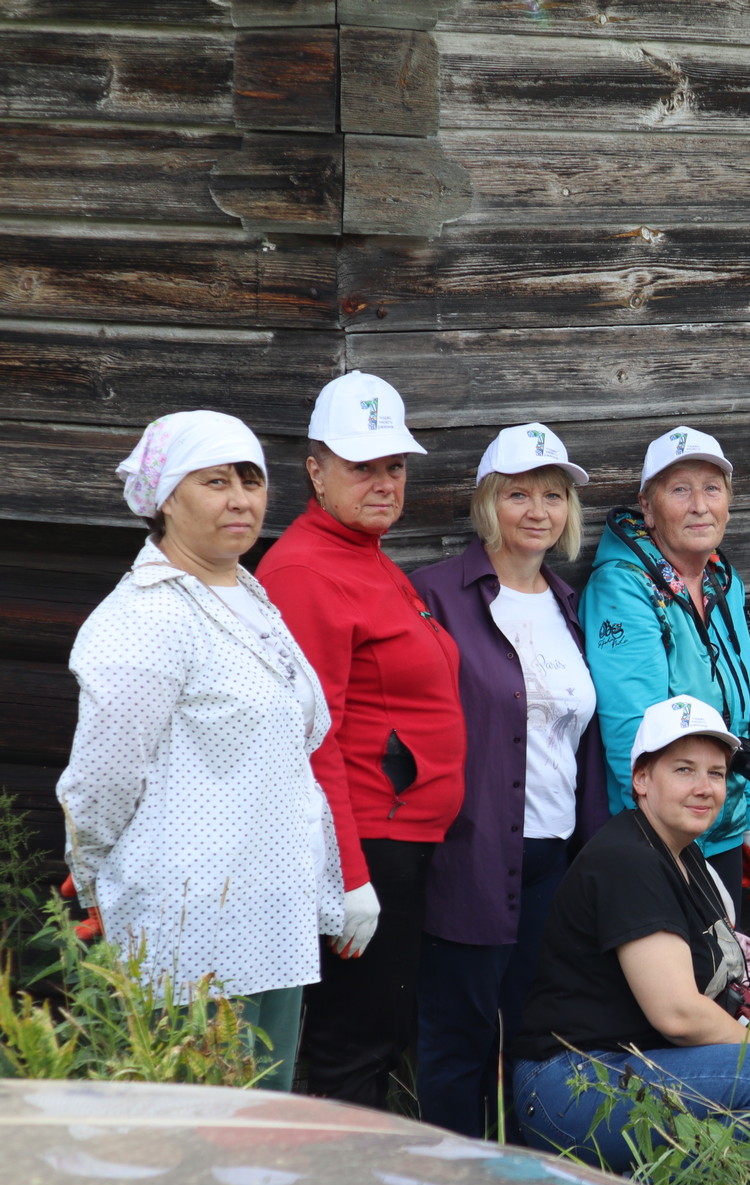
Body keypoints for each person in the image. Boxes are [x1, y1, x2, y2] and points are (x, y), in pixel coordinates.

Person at [57, 412, 345, 1093]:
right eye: (215, 481)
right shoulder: (147, 618)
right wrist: (95, 874)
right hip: (187, 931)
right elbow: (102, 778)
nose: (241, 499)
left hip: (269, 919)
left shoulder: (247, 597)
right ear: (162, 497)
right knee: (194, 1135)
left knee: (258, 1132)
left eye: (252, 480)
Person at [512, 697, 750, 1173]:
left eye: (716, 773)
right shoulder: (630, 860)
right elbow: (678, 1014)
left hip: (631, 1067)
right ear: (641, 779)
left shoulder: (682, 853)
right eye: (683, 769)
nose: (704, 788)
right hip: (572, 1084)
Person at [259, 371, 468, 1109]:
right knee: (355, 1043)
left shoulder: (367, 558)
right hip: (370, 844)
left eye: (395, 466)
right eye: (361, 467)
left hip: (403, 839)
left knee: (382, 1030)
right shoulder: (309, 570)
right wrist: (347, 874)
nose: (383, 482)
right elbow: (315, 736)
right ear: (315, 471)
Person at [409, 424, 610, 1138]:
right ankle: (457, 1183)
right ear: (489, 501)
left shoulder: (571, 607)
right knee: (458, 1035)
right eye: (519, 492)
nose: (537, 509)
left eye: (553, 495)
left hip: (558, 857)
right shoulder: (436, 595)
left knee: (540, 1033)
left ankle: (529, 1182)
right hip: (470, 849)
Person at [581, 426, 750, 913]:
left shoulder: (722, 583)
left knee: (724, 979)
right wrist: (666, 851)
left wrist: (749, 819)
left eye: (712, 488)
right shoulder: (624, 588)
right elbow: (632, 735)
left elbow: (736, 720)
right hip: (659, 840)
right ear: (648, 506)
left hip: (718, 830)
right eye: (680, 489)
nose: (699, 505)